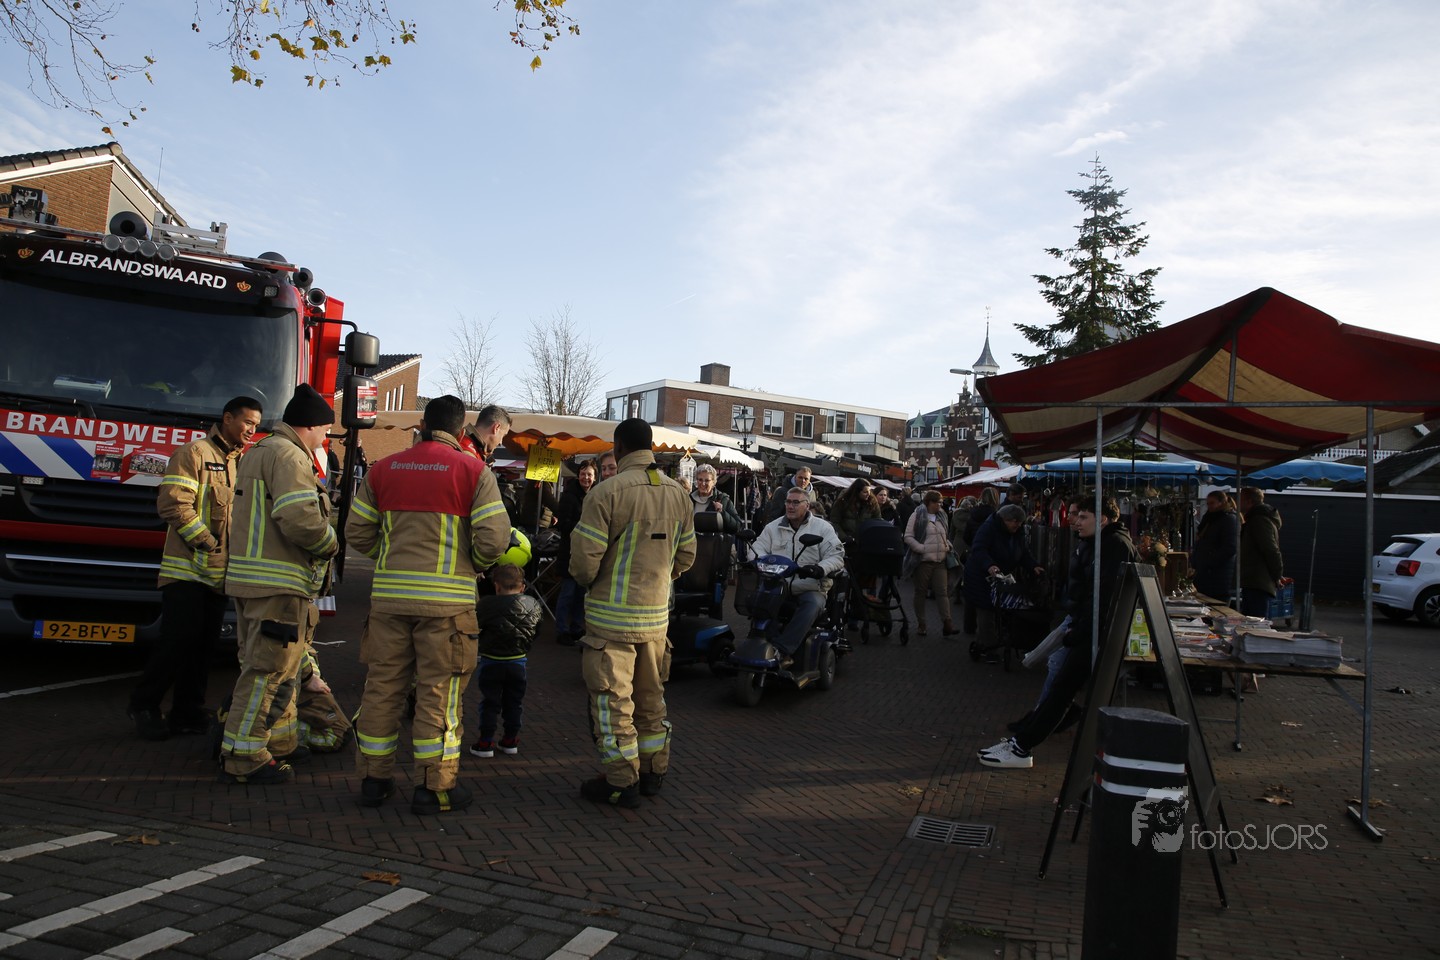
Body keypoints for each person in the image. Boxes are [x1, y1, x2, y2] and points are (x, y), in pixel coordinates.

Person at [347, 397, 513, 814]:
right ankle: (434, 787)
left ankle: (373, 780)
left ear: (422, 424)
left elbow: (357, 531)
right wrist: (471, 564)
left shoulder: (383, 469)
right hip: (447, 607)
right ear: (461, 430)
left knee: (382, 689)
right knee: (439, 695)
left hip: (389, 602)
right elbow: (494, 540)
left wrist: (390, 557)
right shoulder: (473, 471)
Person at [570, 418, 696, 808]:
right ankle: (654, 771)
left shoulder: (606, 493)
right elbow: (687, 556)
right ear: (651, 446)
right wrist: (658, 580)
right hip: (656, 620)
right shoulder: (678, 494)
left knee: (613, 705)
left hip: (610, 624)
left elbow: (583, 563)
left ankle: (621, 781)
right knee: (651, 699)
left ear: (619, 447)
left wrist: (595, 583)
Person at [218, 384, 338, 786]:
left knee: (273, 671)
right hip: (278, 585)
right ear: (311, 426)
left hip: (252, 581)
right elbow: (300, 519)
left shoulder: (261, 451)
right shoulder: (289, 456)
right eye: (325, 431)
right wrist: (332, 543)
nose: (325, 439)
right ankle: (244, 756)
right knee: (267, 674)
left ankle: (275, 743)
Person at [127, 396, 263, 741]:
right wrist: (206, 541)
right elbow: (173, 504)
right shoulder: (194, 454)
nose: (252, 430)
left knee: (203, 647)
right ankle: (143, 706)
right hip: (186, 571)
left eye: (256, 425)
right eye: (247, 422)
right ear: (227, 418)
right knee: (177, 642)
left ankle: (187, 713)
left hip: (218, 576)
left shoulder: (240, 462)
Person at [980, 497, 1137, 768]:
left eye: (1083, 517)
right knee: (1060, 682)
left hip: (1094, 630)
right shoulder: (1100, 543)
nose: (1076, 522)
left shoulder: (1113, 545)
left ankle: (1022, 747)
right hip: (1087, 626)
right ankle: (1023, 741)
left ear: (1101, 519)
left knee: (1063, 688)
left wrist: (1079, 630)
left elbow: (1103, 597)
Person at [750, 485, 846, 664]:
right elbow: (756, 550)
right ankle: (761, 643)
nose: (790, 506)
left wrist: (820, 568)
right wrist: (760, 562)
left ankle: (782, 650)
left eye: (795, 502)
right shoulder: (773, 527)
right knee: (758, 602)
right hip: (778, 585)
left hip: (810, 587)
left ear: (807, 505)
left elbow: (836, 556)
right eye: (788, 502)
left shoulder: (823, 528)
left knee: (812, 604)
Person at [469, 563, 542, 758]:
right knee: (514, 702)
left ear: (496, 585)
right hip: (518, 661)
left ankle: (485, 742)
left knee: (490, 702)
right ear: (522, 586)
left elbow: (476, 626)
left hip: (491, 661)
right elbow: (537, 630)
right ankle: (510, 739)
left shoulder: (486, 604)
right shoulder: (533, 604)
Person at [963, 503, 1044, 656]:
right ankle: (988, 649)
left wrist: (1033, 566)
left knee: (996, 611)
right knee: (986, 610)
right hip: (980, 576)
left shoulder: (1017, 531)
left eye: (1019, 522)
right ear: (1003, 519)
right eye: (1013, 521)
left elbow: (1023, 552)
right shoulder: (988, 528)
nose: (1016, 525)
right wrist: (989, 565)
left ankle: (985, 643)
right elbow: (979, 549)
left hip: (999, 576)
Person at [554, 459, 597, 645]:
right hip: (570, 552)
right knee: (568, 593)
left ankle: (577, 628)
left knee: (581, 594)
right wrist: (584, 527)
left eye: (589, 474)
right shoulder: (569, 496)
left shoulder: (596, 495)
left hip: (587, 552)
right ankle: (562, 630)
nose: (586, 478)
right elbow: (563, 525)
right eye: (583, 474)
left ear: (594, 477)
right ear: (578, 475)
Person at [904, 490, 958, 637]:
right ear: (928, 502)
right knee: (920, 592)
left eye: (940, 502)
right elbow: (908, 536)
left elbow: (944, 535)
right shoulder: (917, 515)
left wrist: (947, 545)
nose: (939, 505)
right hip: (923, 561)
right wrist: (921, 548)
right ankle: (921, 624)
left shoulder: (942, 516)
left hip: (940, 560)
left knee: (942, 592)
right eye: (936, 502)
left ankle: (947, 623)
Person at [1238, 486, 1284, 617]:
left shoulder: (1259, 520)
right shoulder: (1256, 519)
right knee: (1251, 620)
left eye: (1240, 499)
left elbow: (1270, 549)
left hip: (1258, 581)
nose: (1238, 502)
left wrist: (1277, 574)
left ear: (1249, 501)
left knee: (1256, 621)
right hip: (1254, 580)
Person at [1191, 491, 1239, 602]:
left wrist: (1208, 561)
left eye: (1212, 503)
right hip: (1205, 572)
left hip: (1218, 575)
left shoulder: (1228, 519)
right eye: (1208, 503)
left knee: (1215, 603)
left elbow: (1230, 547)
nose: (1209, 506)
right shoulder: (1210, 519)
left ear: (1222, 502)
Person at [690, 463, 743, 535]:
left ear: (714, 482)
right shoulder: (689, 499)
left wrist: (722, 512)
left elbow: (737, 527)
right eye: (700, 480)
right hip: (691, 541)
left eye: (707, 480)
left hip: (714, 541)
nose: (703, 483)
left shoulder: (723, 499)